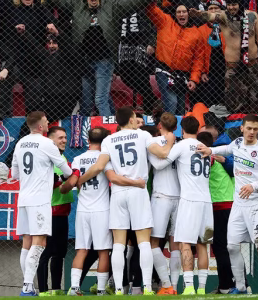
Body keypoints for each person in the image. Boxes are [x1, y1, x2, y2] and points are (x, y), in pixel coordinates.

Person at [77, 106, 176, 295]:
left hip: (118, 193)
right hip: (138, 190)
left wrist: (80, 180)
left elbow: (98, 167)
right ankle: (147, 288)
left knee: (118, 244)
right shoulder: (142, 135)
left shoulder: (108, 140)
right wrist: (170, 141)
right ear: (131, 119)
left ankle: (119, 290)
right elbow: (163, 154)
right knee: (143, 241)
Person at [35, 0, 159, 117]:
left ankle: (108, 129)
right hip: (83, 62)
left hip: (104, 61)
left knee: (100, 99)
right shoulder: (76, 4)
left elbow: (132, 2)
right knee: (87, 102)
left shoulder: (111, 5)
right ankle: (110, 122)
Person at [196, 114, 258, 295]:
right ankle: (241, 288)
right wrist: (210, 150)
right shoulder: (237, 143)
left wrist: (254, 186)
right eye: (249, 128)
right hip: (238, 205)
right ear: (242, 128)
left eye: (255, 129)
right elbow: (226, 149)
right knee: (232, 246)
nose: (252, 132)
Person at [11, 111, 73, 296]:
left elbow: (14, 174)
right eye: (46, 121)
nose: (48, 124)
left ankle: (27, 285)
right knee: (39, 243)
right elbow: (67, 171)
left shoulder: (20, 143)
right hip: (39, 200)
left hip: (23, 199)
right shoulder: (47, 144)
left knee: (27, 243)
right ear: (40, 126)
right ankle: (27, 287)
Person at [150, 117, 213, 295]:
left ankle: (189, 287)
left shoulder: (181, 145)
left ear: (182, 130)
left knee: (185, 243)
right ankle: (202, 288)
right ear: (198, 129)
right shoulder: (204, 147)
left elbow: (162, 163)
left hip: (189, 199)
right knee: (202, 245)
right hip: (206, 200)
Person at [190, 0, 258, 115]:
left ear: (240, 4)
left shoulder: (252, 16)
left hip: (254, 65)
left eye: (234, 4)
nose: (231, 8)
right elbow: (210, 15)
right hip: (233, 68)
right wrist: (199, 14)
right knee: (234, 107)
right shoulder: (223, 17)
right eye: (229, 4)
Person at [66, 127, 115, 296]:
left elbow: (75, 182)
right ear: (104, 141)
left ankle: (74, 288)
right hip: (102, 210)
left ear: (88, 140)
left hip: (83, 210)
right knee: (103, 251)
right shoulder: (106, 158)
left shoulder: (77, 159)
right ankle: (101, 290)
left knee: (82, 250)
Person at [147, 1, 210, 115]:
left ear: (188, 14)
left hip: (182, 76)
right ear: (175, 14)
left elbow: (198, 60)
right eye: (179, 12)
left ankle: (173, 126)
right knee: (172, 102)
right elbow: (152, 11)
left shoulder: (196, 34)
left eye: (184, 12)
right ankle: (166, 126)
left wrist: (193, 79)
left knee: (180, 108)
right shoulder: (165, 22)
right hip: (164, 71)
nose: (181, 14)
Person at [37, 127, 76, 296]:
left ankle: (56, 289)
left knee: (60, 253)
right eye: (60, 138)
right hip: (49, 212)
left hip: (62, 212)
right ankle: (43, 290)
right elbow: (47, 182)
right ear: (50, 140)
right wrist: (65, 179)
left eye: (65, 137)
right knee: (45, 252)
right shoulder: (46, 158)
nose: (64, 140)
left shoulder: (61, 157)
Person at [145, 112, 180, 295]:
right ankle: (172, 285)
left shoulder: (153, 142)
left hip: (162, 196)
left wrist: (167, 151)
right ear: (176, 127)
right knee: (175, 243)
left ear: (159, 125)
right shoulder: (179, 143)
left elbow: (158, 166)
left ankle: (167, 285)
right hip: (177, 196)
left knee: (154, 241)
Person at [116, 0, 160, 114]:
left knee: (141, 75)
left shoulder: (144, 0)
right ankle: (151, 98)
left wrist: (151, 43)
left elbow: (153, 23)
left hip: (140, 41)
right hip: (124, 42)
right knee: (125, 75)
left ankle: (148, 107)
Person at [200, 124, 235, 294]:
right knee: (229, 247)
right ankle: (238, 284)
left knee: (221, 246)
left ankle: (226, 286)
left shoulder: (211, 158)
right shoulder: (226, 157)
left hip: (220, 204)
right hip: (230, 203)